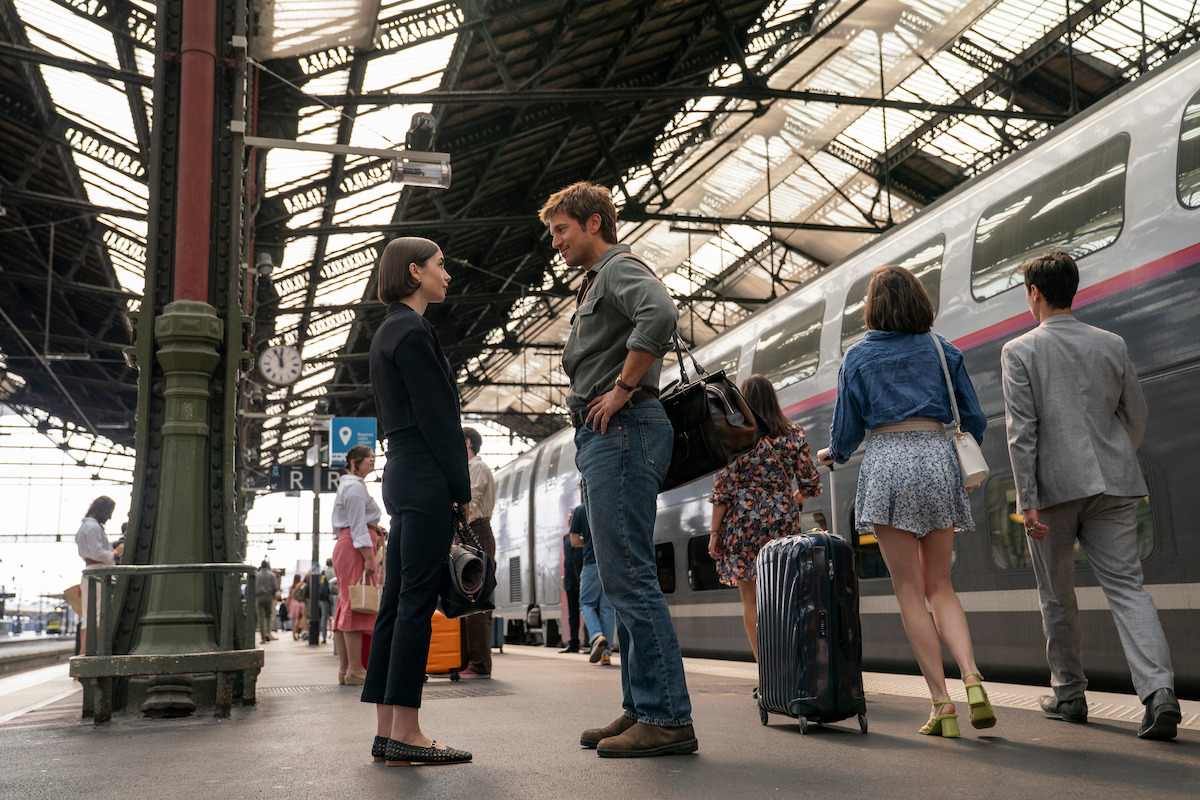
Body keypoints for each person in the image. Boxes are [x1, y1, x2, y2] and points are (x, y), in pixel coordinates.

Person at [542, 182, 696, 758]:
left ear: (595, 223)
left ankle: (667, 717)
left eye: (562, 230)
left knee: (628, 576)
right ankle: (640, 708)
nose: (555, 242)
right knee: (618, 576)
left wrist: (623, 388)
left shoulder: (616, 267)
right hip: (609, 436)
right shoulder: (595, 282)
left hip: (623, 430)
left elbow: (660, 311)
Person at [1001, 251, 1180, 740]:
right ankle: (1160, 692)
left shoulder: (1020, 351)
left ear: (1034, 293)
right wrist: (1115, 457)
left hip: (1055, 492)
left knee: (1057, 593)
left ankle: (1070, 695)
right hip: (1115, 484)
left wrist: (1027, 500)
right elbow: (1136, 415)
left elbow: (1022, 433)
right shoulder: (1112, 344)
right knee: (1128, 588)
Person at [816, 264, 995, 739]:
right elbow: (974, 418)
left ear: (873, 307)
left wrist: (831, 455)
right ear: (918, 301)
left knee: (909, 592)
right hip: (937, 458)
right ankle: (973, 676)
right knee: (942, 586)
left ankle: (942, 704)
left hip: (888, 464)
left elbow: (845, 435)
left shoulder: (856, 358)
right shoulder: (943, 350)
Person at [363, 236, 473, 766]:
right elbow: (441, 421)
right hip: (426, 473)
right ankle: (408, 731)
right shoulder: (413, 331)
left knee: (395, 604)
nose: (447, 274)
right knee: (415, 606)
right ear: (415, 271)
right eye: (440, 265)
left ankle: (387, 730)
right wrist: (462, 490)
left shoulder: (386, 332)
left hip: (399, 471)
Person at [708, 374, 822, 662]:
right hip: (783, 524)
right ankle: (791, 664)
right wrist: (789, 499)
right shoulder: (794, 434)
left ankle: (767, 671)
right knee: (784, 597)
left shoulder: (735, 438)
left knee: (751, 601)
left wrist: (714, 533)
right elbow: (810, 483)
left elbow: (722, 491)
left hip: (742, 524)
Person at [331, 444, 381, 685]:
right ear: (354, 462)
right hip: (355, 548)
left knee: (346, 603)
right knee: (356, 604)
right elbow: (358, 526)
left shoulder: (351, 486)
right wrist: (369, 557)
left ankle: (345, 668)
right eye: (368, 458)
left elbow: (359, 522)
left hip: (348, 545)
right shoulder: (354, 489)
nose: (372, 460)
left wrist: (375, 527)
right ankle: (355, 669)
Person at [460, 426, 497, 678]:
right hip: (470, 534)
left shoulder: (478, 468)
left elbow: (469, 504)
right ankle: (467, 660)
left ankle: (479, 664)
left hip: (477, 533)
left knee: (477, 599)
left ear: (468, 443)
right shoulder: (468, 469)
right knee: (464, 598)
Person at [74, 496, 123, 652]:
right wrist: (116, 552)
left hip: (91, 575)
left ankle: (84, 654)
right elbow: (98, 553)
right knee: (95, 617)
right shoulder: (93, 528)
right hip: (98, 575)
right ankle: (88, 655)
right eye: (109, 512)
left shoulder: (87, 526)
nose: (110, 517)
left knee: (89, 617)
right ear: (101, 510)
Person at [573, 494, 615, 666]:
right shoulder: (610, 503)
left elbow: (574, 541)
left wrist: (588, 540)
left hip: (591, 564)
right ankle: (605, 654)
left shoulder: (580, 510)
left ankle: (597, 636)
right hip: (611, 565)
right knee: (607, 608)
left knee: (587, 604)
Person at [559, 506, 584, 654]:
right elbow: (568, 560)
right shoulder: (566, 538)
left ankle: (591, 639)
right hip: (570, 580)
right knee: (572, 613)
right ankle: (573, 641)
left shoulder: (582, 536)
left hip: (581, 577)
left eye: (572, 518)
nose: (570, 521)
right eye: (569, 518)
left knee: (589, 609)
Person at [254, 560, 279, 644]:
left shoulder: (256, 575)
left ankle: (263, 637)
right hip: (269, 596)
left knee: (261, 617)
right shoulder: (272, 575)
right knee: (268, 615)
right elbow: (275, 587)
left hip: (258, 597)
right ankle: (268, 633)